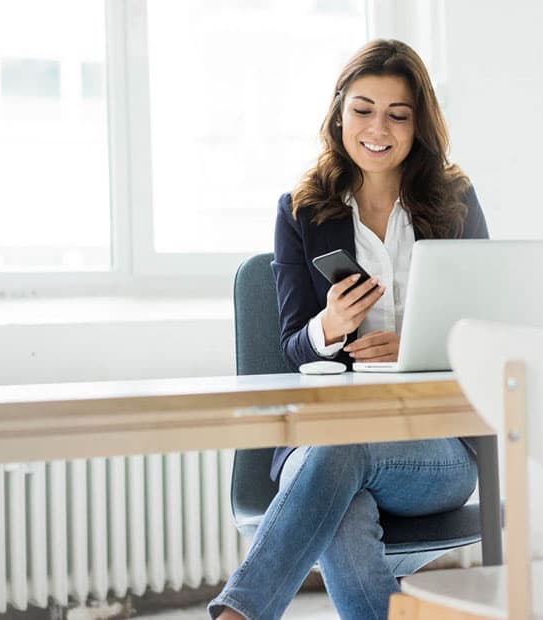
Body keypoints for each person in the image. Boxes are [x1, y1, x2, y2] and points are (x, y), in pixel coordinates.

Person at [209, 39, 489, 620]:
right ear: (339, 114)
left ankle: (239, 613)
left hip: (435, 445)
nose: (377, 128)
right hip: (317, 438)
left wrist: (414, 346)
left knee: (345, 459)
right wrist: (327, 327)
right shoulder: (303, 210)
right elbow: (290, 346)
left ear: (419, 125)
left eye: (398, 114)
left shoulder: (455, 202)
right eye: (363, 109)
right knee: (344, 496)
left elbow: (486, 329)